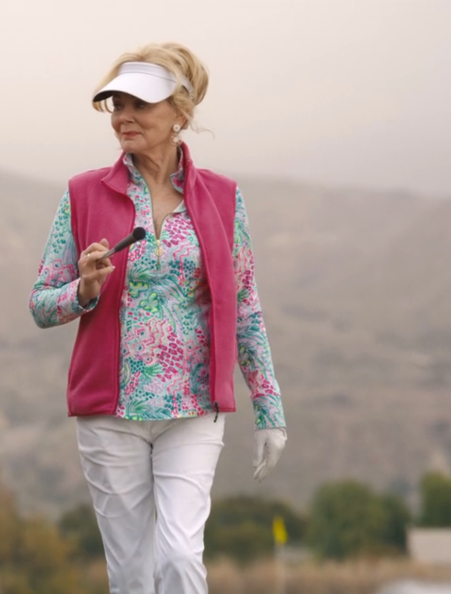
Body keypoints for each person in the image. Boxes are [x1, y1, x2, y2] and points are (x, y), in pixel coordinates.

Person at [28, 43, 288, 594]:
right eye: (116, 104)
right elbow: (41, 304)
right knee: (131, 576)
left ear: (181, 113)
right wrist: (84, 288)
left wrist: (270, 408)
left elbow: (244, 305)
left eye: (140, 104)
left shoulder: (222, 197)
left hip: (193, 407)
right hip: (109, 411)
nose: (124, 116)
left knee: (178, 558)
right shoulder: (82, 194)